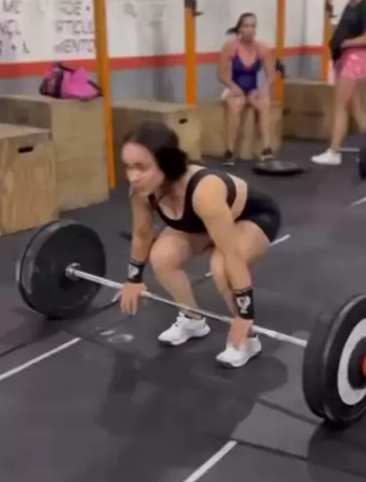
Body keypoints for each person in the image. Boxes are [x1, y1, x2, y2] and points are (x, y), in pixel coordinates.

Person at [119, 121, 282, 368]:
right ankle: (192, 319)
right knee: (162, 257)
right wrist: (133, 279)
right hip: (205, 222)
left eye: (142, 167)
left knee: (221, 266)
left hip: (252, 216)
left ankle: (247, 339)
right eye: (128, 166)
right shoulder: (141, 191)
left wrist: (244, 315)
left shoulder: (204, 191)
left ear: (166, 163)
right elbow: (142, 235)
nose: (133, 177)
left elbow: (231, 254)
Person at [312, 0, 366, 167]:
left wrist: (347, 43)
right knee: (353, 104)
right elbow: (344, 30)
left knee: (340, 105)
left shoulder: (365, 7)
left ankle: (335, 151)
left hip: (355, 58)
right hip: (343, 58)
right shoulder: (350, 7)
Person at [218, 12, 276, 166]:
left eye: (253, 26)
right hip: (233, 86)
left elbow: (271, 76)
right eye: (246, 26)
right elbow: (222, 75)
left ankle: (266, 148)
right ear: (240, 29)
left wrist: (262, 90)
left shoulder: (263, 48)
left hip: (253, 89)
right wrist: (234, 88)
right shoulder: (230, 47)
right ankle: (229, 150)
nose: (250, 29)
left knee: (264, 103)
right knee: (236, 104)